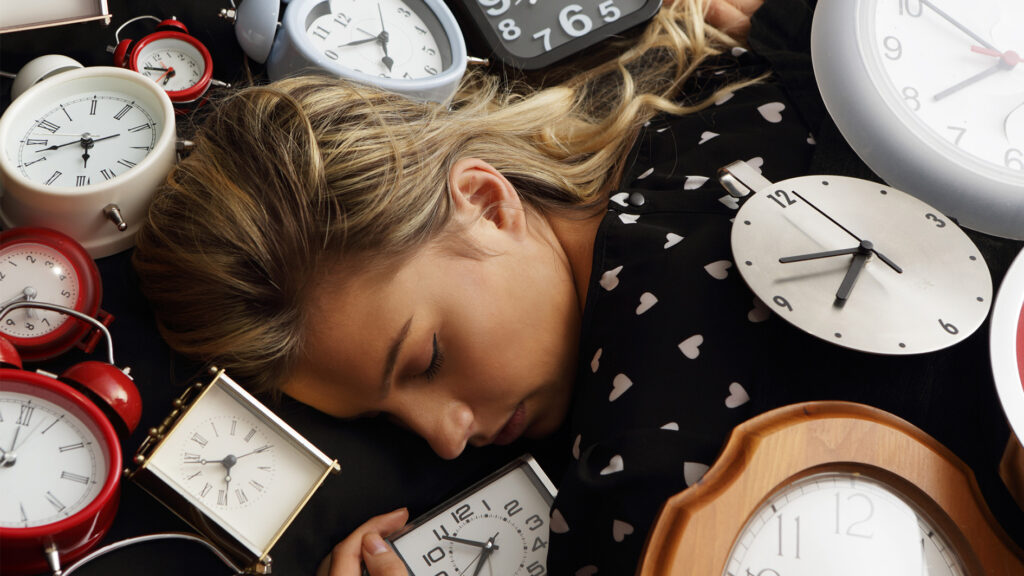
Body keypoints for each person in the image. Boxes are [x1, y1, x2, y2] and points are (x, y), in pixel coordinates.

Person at [130, 0, 827, 573]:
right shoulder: (748, 69)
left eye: (427, 358)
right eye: (387, 421)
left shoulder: (635, 481)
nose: (445, 438)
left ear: (489, 205)